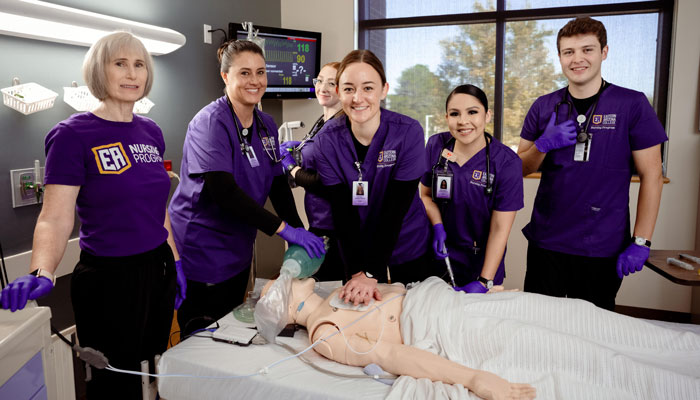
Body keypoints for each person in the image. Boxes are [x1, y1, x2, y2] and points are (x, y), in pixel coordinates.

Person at [0, 32, 185, 399]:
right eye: (120, 64)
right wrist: (41, 270)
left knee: (152, 372)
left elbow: (157, 207)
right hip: (110, 280)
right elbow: (54, 217)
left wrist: (175, 261)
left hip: (158, 268)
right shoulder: (72, 135)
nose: (132, 73)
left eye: (139, 65)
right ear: (100, 71)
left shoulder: (151, 131)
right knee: (114, 385)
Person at [267, 277, 700, 400]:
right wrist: (475, 379)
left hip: (463, 303)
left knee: (580, 315)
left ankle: (685, 349)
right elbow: (395, 356)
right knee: (581, 354)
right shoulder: (325, 334)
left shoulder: (338, 290)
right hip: (455, 329)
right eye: (281, 282)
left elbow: (396, 291)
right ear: (285, 305)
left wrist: (372, 279)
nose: (293, 275)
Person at [168, 40, 325, 337]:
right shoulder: (210, 123)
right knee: (204, 335)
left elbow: (277, 182)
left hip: (238, 246)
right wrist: (284, 230)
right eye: (244, 73)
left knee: (230, 327)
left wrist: (297, 229)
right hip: (203, 247)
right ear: (225, 76)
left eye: (260, 72)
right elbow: (223, 192)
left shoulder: (266, 124)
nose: (255, 81)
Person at [516, 17, 667, 310]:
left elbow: (652, 175)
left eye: (587, 50)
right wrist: (542, 145)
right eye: (568, 52)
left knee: (592, 328)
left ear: (604, 52)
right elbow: (519, 168)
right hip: (547, 241)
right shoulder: (544, 106)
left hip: (602, 243)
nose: (577, 59)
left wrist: (641, 241)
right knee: (538, 322)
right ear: (560, 56)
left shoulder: (632, 104)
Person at [314, 50, 437, 306]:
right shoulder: (327, 140)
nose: (357, 98)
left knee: (412, 315)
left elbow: (395, 210)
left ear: (384, 90)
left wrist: (371, 273)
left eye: (368, 88)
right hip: (355, 245)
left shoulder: (408, 133)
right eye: (349, 89)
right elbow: (342, 211)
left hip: (405, 241)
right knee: (359, 317)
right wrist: (357, 272)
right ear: (338, 91)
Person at [419, 85, 523, 293]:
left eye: (472, 112)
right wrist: (437, 225)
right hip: (439, 258)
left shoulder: (507, 162)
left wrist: (484, 281)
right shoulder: (436, 145)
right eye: (455, 114)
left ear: (487, 115)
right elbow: (425, 194)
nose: (463, 121)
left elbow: (500, 228)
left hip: (482, 265)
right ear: (447, 117)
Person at [279, 62, 345, 282]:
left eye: (331, 83)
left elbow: (321, 182)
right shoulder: (324, 120)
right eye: (320, 80)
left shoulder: (339, 127)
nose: (322, 88)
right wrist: (301, 148)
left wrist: (290, 165)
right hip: (318, 220)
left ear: (343, 88)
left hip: (333, 224)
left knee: (328, 285)